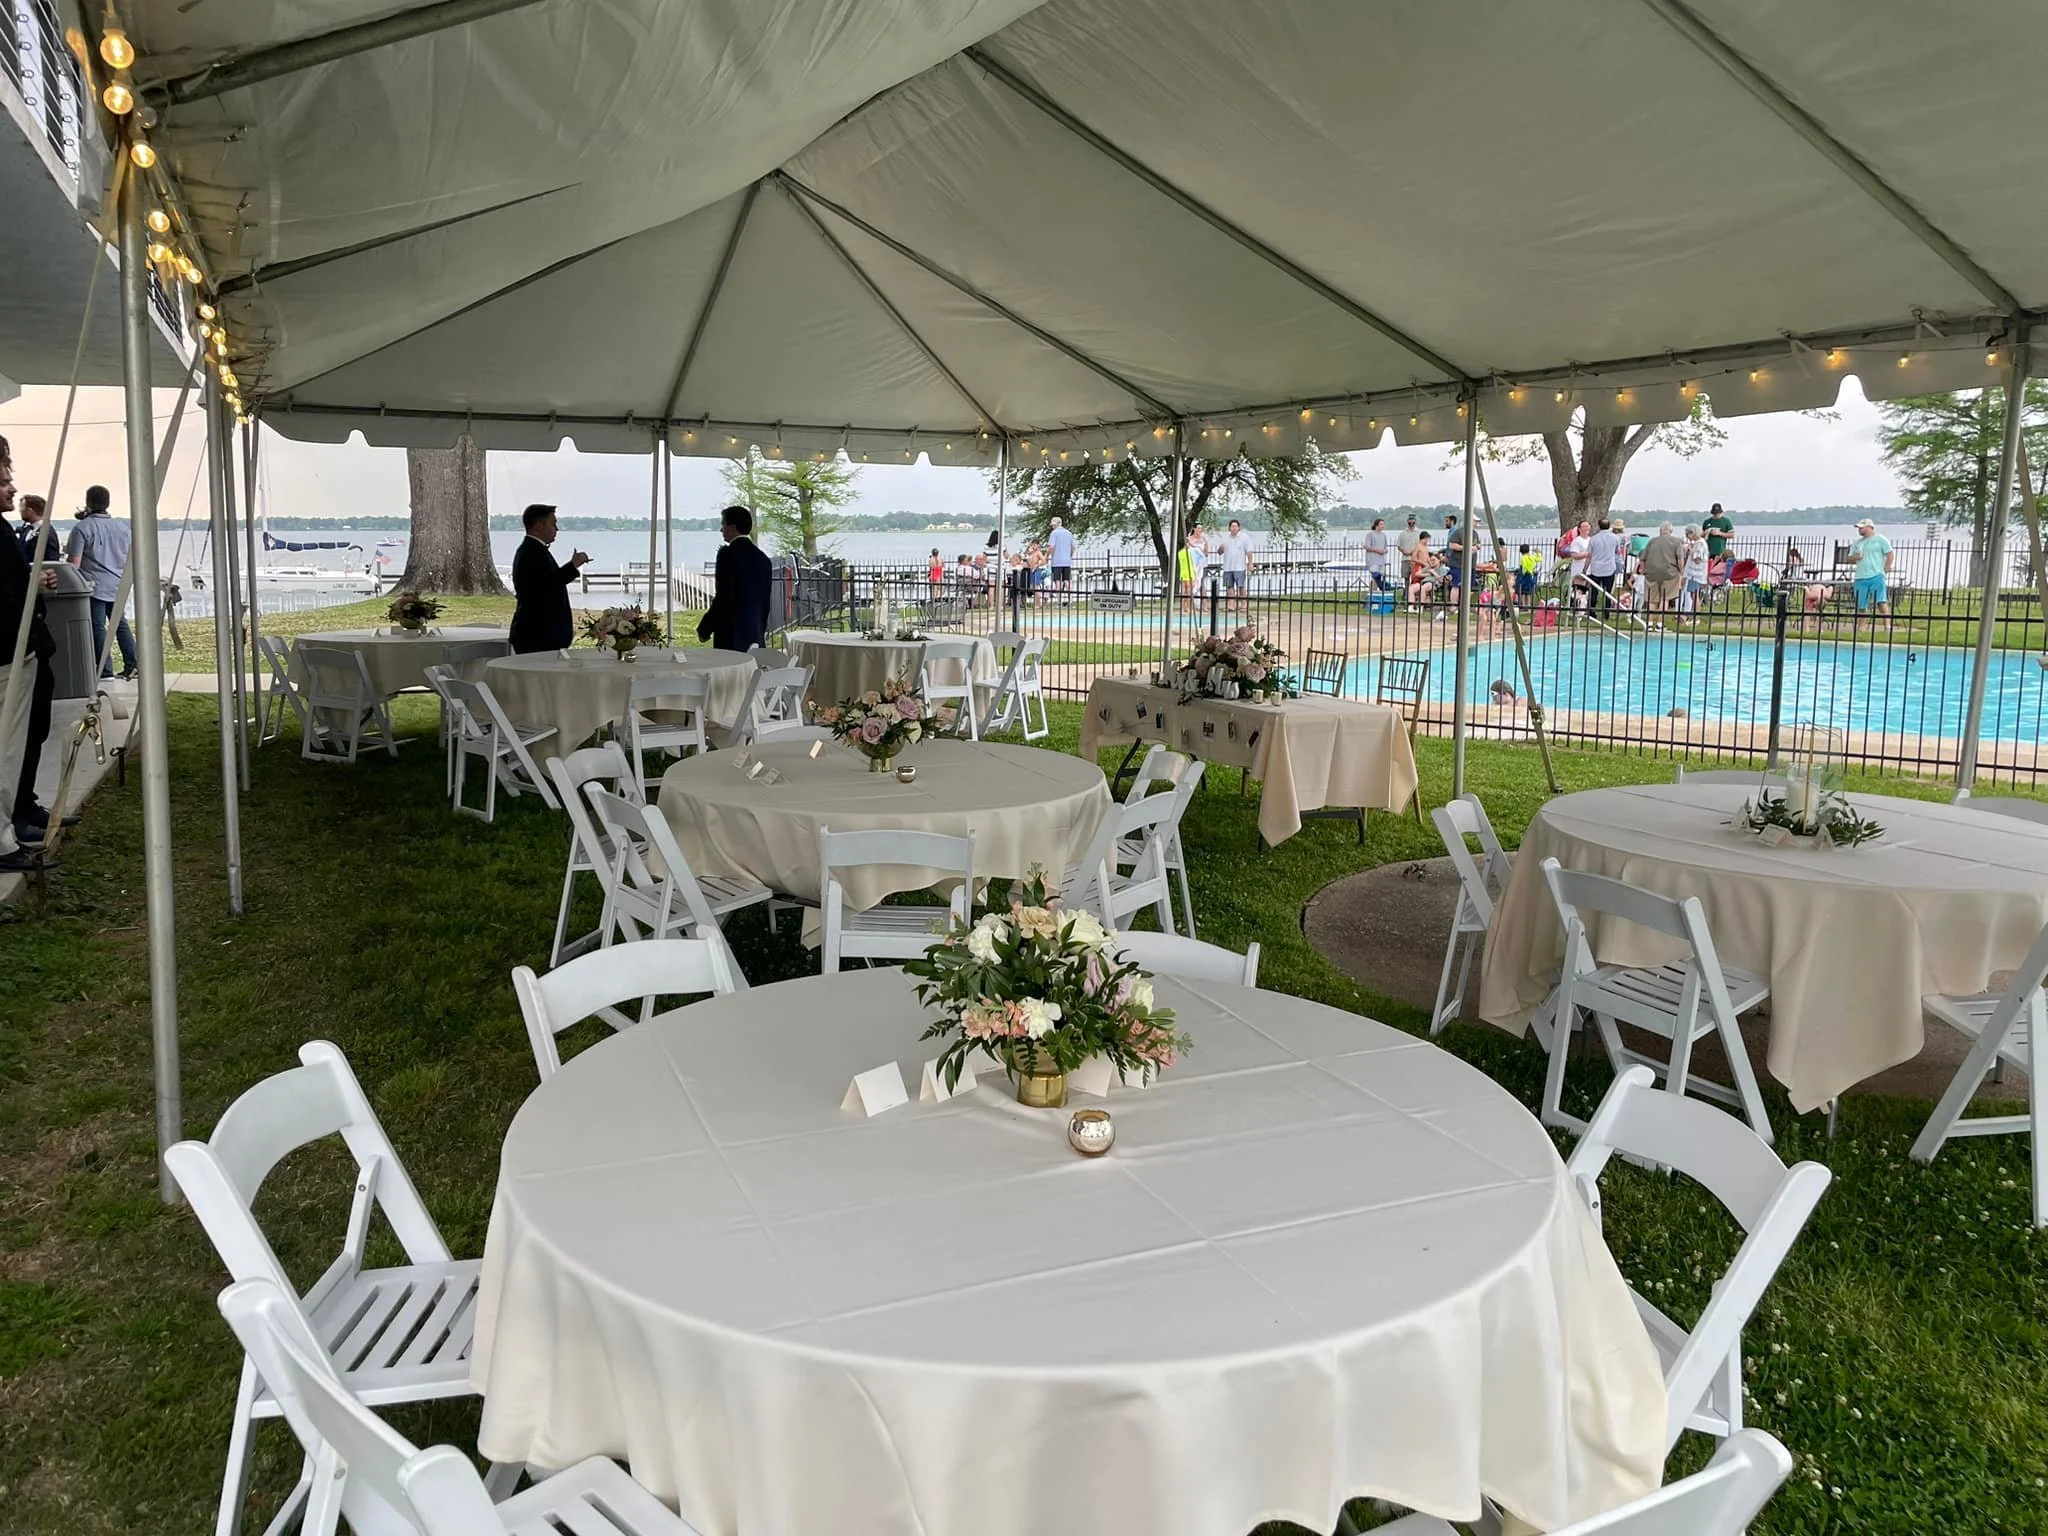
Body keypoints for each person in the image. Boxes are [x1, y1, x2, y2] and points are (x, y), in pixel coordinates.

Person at [0, 438, 63, 870]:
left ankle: (19, 813)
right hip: (8, 650)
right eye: (4, 479)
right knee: (7, 748)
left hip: (20, 648)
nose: (10, 486)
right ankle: (5, 837)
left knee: (23, 739)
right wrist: (30, 585)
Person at [65, 485, 137, 680]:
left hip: (94, 585)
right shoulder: (122, 527)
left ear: (88, 502)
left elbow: (74, 563)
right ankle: (133, 663)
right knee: (119, 623)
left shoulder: (83, 528)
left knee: (97, 626)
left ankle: (104, 669)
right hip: (118, 583)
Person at [508, 503, 591, 653]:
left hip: (543, 635)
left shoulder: (534, 550)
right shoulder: (531, 552)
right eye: (553, 524)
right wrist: (573, 566)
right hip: (537, 636)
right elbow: (545, 585)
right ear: (539, 525)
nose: (557, 529)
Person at [699, 504, 772, 652]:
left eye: (723, 525)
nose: (721, 530)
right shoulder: (763, 559)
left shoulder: (727, 555)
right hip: (754, 633)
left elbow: (724, 596)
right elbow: (765, 602)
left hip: (730, 635)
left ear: (732, 527)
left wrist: (705, 628)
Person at [1849, 517, 1894, 620]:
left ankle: (1887, 625)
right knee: (1861, 605)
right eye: (1858, 528)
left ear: (1870, 527)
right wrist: (1856, 557)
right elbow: (1849, 558)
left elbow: (1890, 554)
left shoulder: (1880, 539)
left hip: (1876, 575)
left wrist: (1886, 568)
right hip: (1860, 576)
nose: (1859, 530)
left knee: (1881, 601)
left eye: (1862, 528)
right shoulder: (1857, 542)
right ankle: (1861, 628)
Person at [1640, 521, 1685, 617]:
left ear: (1660, 530)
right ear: (1671, 531)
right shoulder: (1677, 542)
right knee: (1665, 599)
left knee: (1652, 599)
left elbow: (1642, 558)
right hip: (1670, 573)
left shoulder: (1652, 541)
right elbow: (1680, 560)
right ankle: (1660, 623)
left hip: (1652, 574)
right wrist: (1681, 572)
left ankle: (1650, 622)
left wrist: (1643, 570)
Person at [1212, 517, 1254, 612]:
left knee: (1241, 586)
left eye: (1236, 526)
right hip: (1228, 566)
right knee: (1229, 587)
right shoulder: (1225, 537)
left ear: (1239, 528)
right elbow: (1219, 552)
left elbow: (1249, 551)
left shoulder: (1244, 537)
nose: (1234, 528)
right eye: (1232, 526)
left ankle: (1243, 605)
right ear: (1229, 528)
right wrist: (1220, 549)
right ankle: (1231, 605)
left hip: (1240, 566)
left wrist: (1250, 563)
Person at [1586, 518, 1623, 609]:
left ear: (1599, 526)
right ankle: (1607, 610)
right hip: (1609, 568)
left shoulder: (1593, 539)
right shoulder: (1615, 538)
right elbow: (1618, 551)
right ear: (1609, 526)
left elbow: (1589, 555)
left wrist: (1585, 568)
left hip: (1596, 568)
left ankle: (1592, 609)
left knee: (1594, 590)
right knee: (1608, 592)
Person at [1679, 525, 1709, 618]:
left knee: (1694, 595)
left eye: (1688, 534)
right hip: (1694, 574)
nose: (1687, 536)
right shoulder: (1698, 543)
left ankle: (1696, 616)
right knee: (1693, 595)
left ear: (1693, 533)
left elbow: (1698, 559)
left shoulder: (1699, 544)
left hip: (1695, 574)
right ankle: (1694, 615)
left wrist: (1690, 551)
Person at [1177, 523, 1206, 612]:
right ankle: (1188, 607)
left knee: (1185, 590)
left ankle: (1184, 607)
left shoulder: (1180, 553)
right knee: (1189, 590)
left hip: (1185, 571)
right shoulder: (1189, 551)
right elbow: (1201, 556)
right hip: (1191, 571)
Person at [1047, 516, 1075, 598]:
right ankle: (1070, 599)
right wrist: (1070, 555)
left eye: (1053, 525)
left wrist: (1047, 556)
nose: (1052, 526)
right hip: (1067, 561)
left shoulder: (1054, 533)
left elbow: (1051, 547)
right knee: (1067, 580)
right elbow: (1073, 547)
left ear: (1056, 525)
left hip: (1056, 561)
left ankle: (1059, 599)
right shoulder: (1069, 533)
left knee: (1057, 581)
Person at [1362, 516, 1390, 591]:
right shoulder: (1370, 534)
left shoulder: (1383, 535)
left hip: (1381, 560)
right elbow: (1366, 546)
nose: (1383, 526)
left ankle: (1373, 592)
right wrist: (1378, 550)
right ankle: (1372, 593)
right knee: (1375, 576)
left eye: (1383, 524)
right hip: (1372, 560)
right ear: (1376, 525)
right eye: (1381, 524)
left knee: (1378, 578)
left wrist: (1385, 551)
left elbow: (1385, 547)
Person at [1703, 502, 1734, 566]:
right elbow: (1701, 535)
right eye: (1715, 513)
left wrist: (1719, 533)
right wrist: (1707, 532)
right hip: (1708, 551)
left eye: (1718, 513)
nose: (1716, 514)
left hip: (1720, 551)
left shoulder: (1726, 521)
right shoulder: (1707, 522)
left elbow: (1732, 535)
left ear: (1721, 512)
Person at [1394, 514, 1421, 584]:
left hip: (1415, 560)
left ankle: (1413, 592)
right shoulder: (1403, 533)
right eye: (1410, 520)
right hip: (1405, 559)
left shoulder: (1419, 533)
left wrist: (1414, 551)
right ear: (1407, 521)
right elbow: (1398, 545)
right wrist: (1403, 551)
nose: (1411, 522)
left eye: (1413, 520)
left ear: (1415, 521)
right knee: (1406, 577)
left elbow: (1421, 545)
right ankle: (1406, 592)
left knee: (1415, 577)